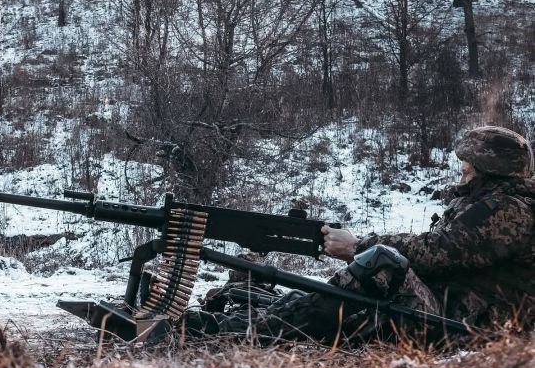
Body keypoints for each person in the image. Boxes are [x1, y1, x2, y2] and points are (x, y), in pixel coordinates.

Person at [181, 126, 535, 344]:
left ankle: (222, 331)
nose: (462, 171)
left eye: (468, 165)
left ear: (487, 169)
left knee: (380, 263)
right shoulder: (494, 204)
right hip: (453, 313)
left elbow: (436, 253)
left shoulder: (507, 211)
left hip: (463, 327)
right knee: (347, 296)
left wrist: (359, 247)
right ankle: (239, 318)